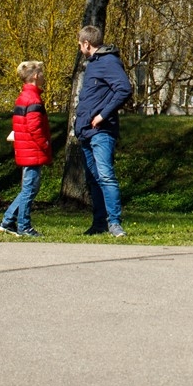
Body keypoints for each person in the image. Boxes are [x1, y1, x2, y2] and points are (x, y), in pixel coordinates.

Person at [74, 26, 132, 237]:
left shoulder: (108, 62)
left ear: (86, 44)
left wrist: (102, 115)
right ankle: (99, 222)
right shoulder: (94, 64)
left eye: (80, 45)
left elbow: (124, 88)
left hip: (101, 131)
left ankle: (114, 223)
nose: (80, 48)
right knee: (94, 178)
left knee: (106, 176)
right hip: (86, 132)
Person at [0, 60, 52, 238]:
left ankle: (8, 221)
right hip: (33, 149)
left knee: (28, 188)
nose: (44, 77)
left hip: (26, 148)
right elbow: (34, 127)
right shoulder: (34, 99)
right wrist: (44, 144)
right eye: (42, 74)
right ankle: (24, 226)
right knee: (30, 189)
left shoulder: (24, 97)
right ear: (36, 76)